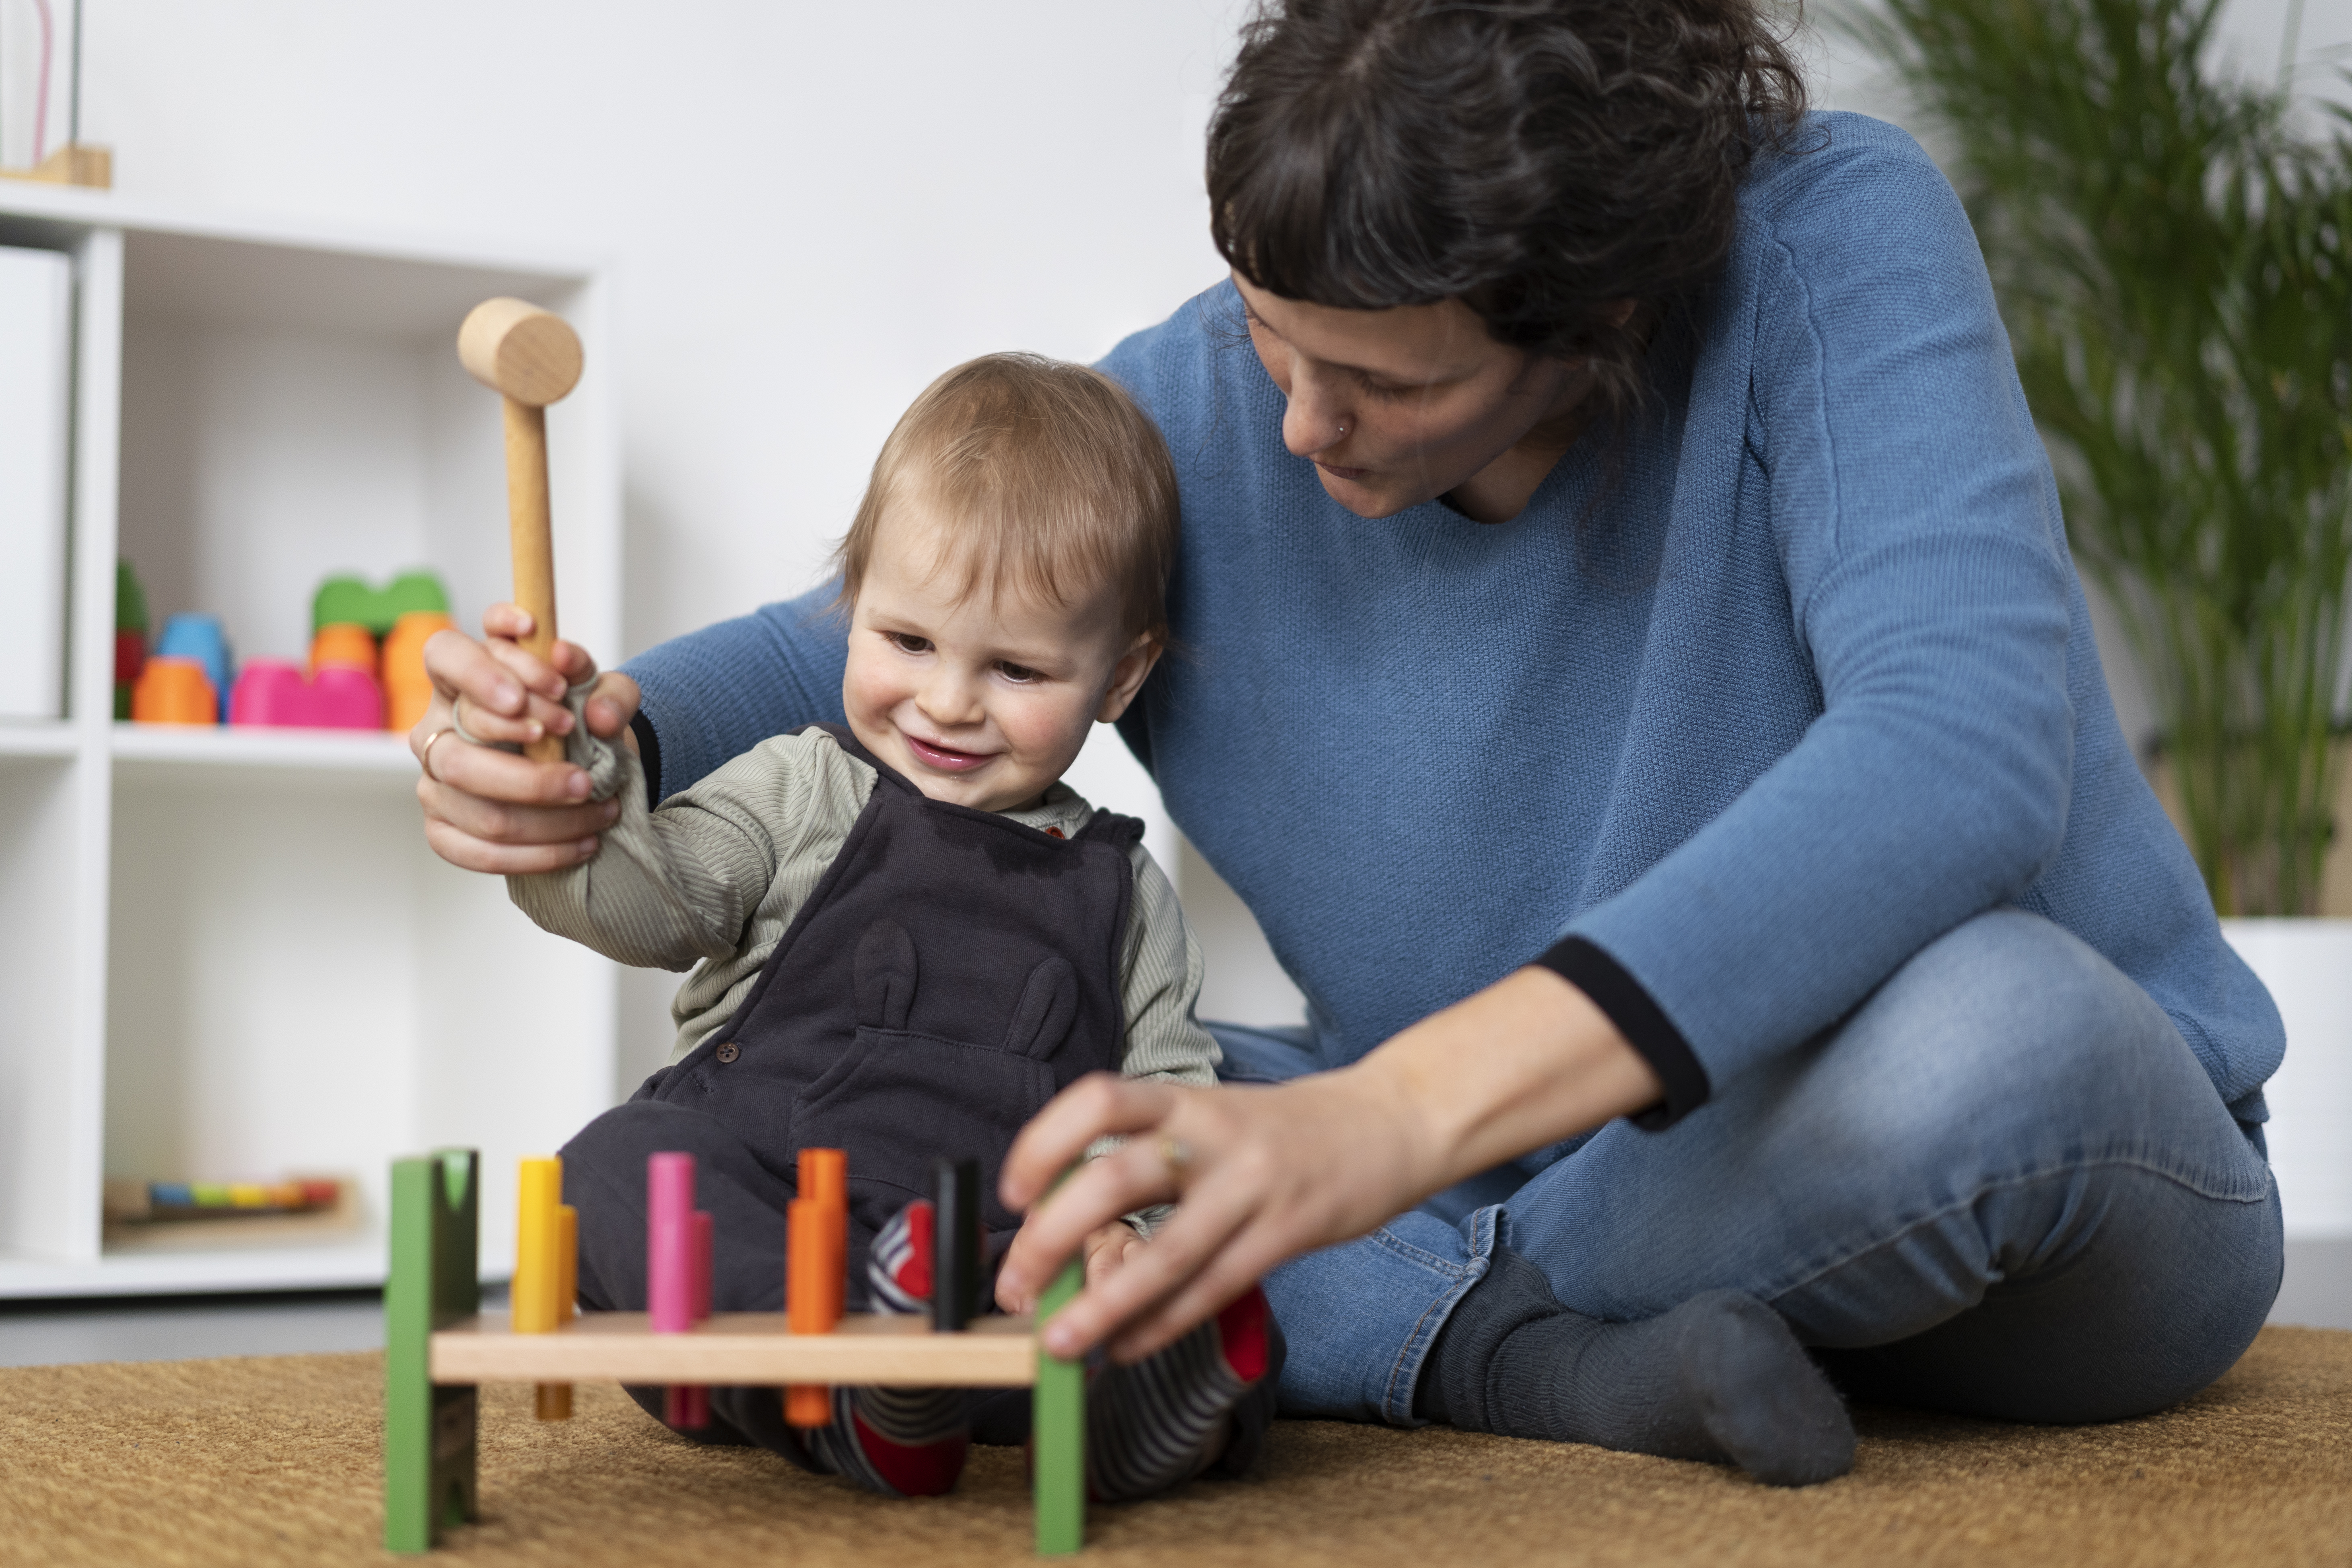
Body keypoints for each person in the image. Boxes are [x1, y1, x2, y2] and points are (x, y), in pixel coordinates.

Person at [416, 0, 2284, 1490]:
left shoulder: (1827, 238)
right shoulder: (1225, 399)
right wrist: (594, 739)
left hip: (1974, 1156)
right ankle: (1522, 1354)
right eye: (1265, 338)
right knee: (966, 1043)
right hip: (1467, 1159)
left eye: (1386, 382)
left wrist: (1372, 1131)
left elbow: (1957, 749)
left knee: (1994, 1032)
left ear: (1601, 317)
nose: (1298, 424)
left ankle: (1369, 1320)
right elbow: (867, 645)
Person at [488, 352, 1277, 1498]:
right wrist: (576, 785)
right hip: (755, 1248)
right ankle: (863, 1379)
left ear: (1120, 675)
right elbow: (633, 896)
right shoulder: (799, 790)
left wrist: (1136, 1232)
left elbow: (1160, 1097)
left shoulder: (1123, 889)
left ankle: (1141, 1407)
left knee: (1218, 1282)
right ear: (854, 605)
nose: (949, 701)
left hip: (984, 1281)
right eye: (908, 641)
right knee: (602, 1177)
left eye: (1013, 667)